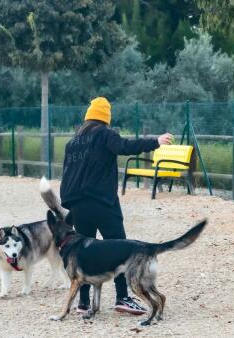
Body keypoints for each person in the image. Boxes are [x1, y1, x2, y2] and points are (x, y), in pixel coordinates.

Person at [60, 97, 173, 315]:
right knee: (120, 248)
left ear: (87, 117)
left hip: (78, 204)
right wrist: (155, 141)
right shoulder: (104, 134)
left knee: (84, 253)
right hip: (103, 202)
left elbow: (67, 174)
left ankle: (83, 304)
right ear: (105, 119)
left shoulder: (73, 143)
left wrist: (70, 208)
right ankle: (122, 298)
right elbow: (125, 146)